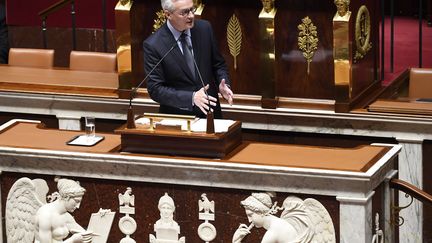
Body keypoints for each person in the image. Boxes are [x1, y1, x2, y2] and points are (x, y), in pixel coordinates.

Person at [143, 0, 234, 118]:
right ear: (168, 14)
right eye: (184, 12)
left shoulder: (205, 29)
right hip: (178, 119)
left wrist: (224, 84)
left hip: (210, 115)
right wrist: (191, 98)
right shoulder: (154, 45)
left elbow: (218, 64)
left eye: (192, 9)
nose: (191, 16)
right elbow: (156, 89)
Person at [232, 193, 313, 243]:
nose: (249, 220)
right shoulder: (281, 222)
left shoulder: (272, 233)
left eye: (250, 215)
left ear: (261, 211)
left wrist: (235, 241)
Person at [34, 178, 92, 243]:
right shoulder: (45, 215)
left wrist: (101, 218)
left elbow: (87, 235)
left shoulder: (66, 216)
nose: (78, 206)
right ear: (67, 197)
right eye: (76, 201)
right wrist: (72, 240)